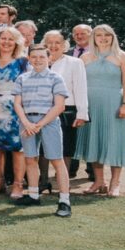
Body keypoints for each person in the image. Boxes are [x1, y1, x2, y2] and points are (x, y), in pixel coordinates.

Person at [76, 24, 125, 197]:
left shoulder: (123, 57)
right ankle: (98, 181)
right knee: (94, 141)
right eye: (99, 35)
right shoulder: (85, 57)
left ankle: (115, 183)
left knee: (114, 142)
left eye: (107, 35)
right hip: (90, 105)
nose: (103, 38)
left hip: (114, 105)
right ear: (93, 38)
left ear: (113, 37)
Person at [14, 44, 72, 216]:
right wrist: (26, 122)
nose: (38, 60)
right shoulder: (22, 78)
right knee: (30, 159)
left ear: (49, 58)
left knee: (56, 160)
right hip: (27, 121)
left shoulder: (56, 78)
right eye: (34, 57)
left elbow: (59, 106)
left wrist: (38, 125)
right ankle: (33, 195)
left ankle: (64, 201)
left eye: (42, 57)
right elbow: (17, 103)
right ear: (29, 58)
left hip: (48, 121)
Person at [0, 26, 29, 198]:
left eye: (11, 39)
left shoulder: (23, 61)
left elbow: (29, 85)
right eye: (3, 38)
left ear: (16, 42)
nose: (6, 42)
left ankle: (18, 184)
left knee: (18, 147)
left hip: (16, 108)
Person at [44, 30, 89, 181]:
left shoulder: (75, 62)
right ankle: (42, 180)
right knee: (42, 146)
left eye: (57, 42)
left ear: (64, 45)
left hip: (67, 109)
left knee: (66, 147)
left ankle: (62, 179)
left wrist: (82, 114)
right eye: (49, 42)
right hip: (41, 110)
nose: (53, 46)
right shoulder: (37, 61)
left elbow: (80, 88)